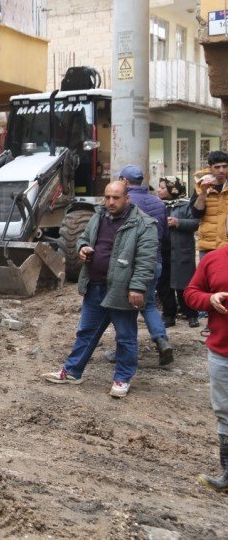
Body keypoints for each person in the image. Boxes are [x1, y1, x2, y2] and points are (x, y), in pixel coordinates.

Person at [42, 181, 157, 399]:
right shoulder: (99, 216)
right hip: (95, 286)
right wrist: (82, 248)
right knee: (86, 332)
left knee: (125, 337)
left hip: (122, 290)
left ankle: (122, 378)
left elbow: (146, 261)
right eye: (107, 197)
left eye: (116, 198)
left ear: (127, 198)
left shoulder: (143, 224)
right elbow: (84, 238)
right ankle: (73, 372)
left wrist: (138, 287)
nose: (110, 202)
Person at [117, 165, 173, 365]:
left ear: (124, 182)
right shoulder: (158, 203)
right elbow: (165, 236)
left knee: (125, 307)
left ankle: (123, 350)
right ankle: (161, 340)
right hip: (155, 261)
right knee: (148, 304)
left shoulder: (126, 203)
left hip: (130, 263)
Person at [183, 245, 228, 491]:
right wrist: (209, 299)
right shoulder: (213, 259)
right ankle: (227, 475)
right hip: (221, 352)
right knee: (224, 412)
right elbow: (191, 293)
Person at [157, 177, 199, 328]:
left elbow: (196, 223)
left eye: (162, 188)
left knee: (185, 285)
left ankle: (192, 315)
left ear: (173, 189)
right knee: (164, 285)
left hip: (181, 251)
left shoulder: (186, 204)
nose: (159, 190)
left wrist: (178, 222)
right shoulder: (158, 205)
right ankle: (169, 315)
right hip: (162, 251)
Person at [192, 150, 228, 259]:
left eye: (225, 166)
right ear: (210, 168)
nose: (221, 170)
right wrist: (203, 193)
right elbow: (196, 214)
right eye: (217, 167)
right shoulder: (200, 186)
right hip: (208, 245)